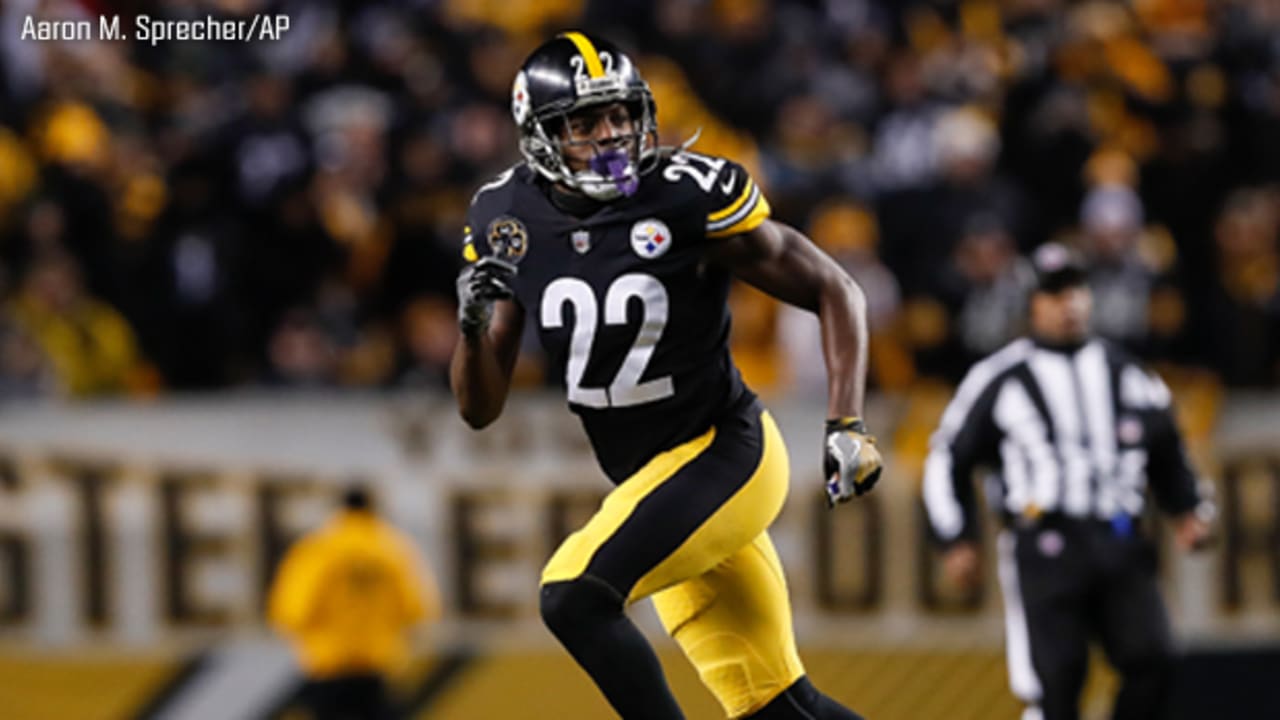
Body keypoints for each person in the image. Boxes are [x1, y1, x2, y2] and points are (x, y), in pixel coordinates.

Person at [450, 31, 883, 720]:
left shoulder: (686, 196)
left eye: (620, 115)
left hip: (724, 451)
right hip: (652, 481)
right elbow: (479, 407)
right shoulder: (504, 215)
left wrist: (848, 424)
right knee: (778, 709)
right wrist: (472, 331)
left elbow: (836, 289)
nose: (612, 136)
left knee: (573, 593)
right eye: (585, 123)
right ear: (539, 134)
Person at [922, 243, 1214, 720]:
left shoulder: (1128, 373)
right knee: (1055, 682)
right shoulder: (1000, 378)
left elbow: (1169, 451)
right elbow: (946, 459)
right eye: (1055, 293)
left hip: (1119, 537)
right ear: (1032, 303)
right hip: (1045, 545)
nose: (1069, 302)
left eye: (1076, 289)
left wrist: (1188, 510)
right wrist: (956, 537)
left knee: (1154, 659)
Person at [268, 485, 440, 720]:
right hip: (375, 666)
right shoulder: (393, 550)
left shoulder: (317, 549)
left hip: (329, 665)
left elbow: (293, 612)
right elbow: (418, 610)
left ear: (340, 509)